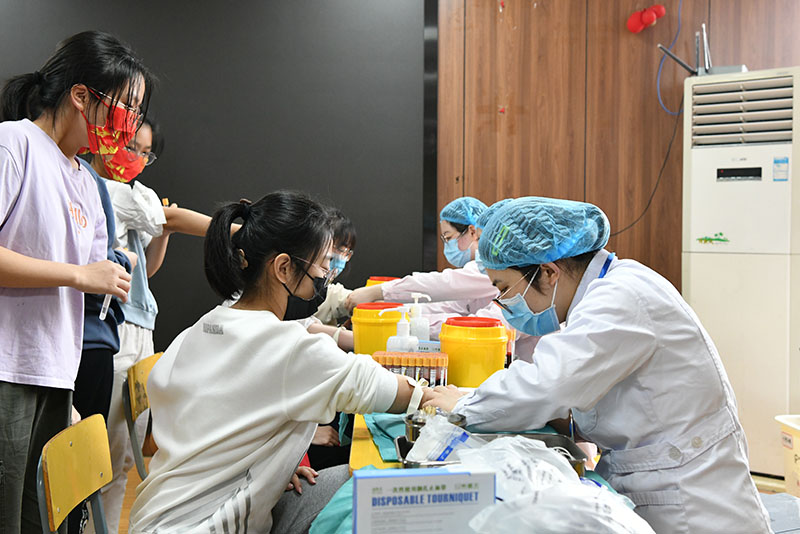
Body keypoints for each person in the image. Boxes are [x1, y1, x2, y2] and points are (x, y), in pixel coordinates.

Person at [424, 197, 772, 533]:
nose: (504, 303)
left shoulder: (621, 296)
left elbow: (548, 385)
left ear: (548, 272)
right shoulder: (607, 289)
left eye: (504, 288)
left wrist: (465, 405)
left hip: (691, 502)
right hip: (657, 478)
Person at [129, 191, 428, 534]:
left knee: (342, 481)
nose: (326, 277)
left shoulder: (199, 330)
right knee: (385, 493)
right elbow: (396, 393)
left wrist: (269, 465)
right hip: (204, 527)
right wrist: (441, 395)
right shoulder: (289, 347)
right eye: (322, 265)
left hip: (154, 518)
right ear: (283, 267)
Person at [0, 30, 152, 533]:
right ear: (81, 96)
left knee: (40, 519)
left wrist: (109, 273)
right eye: (126, 106)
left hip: (56, 370)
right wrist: (80, 274)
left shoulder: (86, 179)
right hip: (8, 367)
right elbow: (77, 272)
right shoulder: (14, 143)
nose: (130, 122)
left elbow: (90, 273)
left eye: (136, 110)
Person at [345, 197, 498, 330]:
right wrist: (397, 312)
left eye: (449, 237)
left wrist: (379, 291)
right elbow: (451, 306)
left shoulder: (490, 268)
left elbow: (444, 283)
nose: (447, 246)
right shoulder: (478, 270)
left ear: (472, 232)